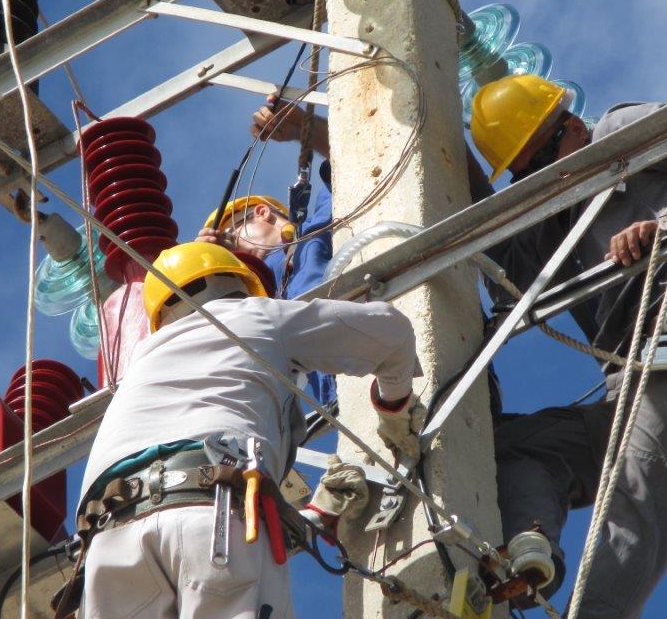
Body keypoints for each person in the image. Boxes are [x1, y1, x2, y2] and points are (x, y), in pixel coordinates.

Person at [468, 74, 667, 616]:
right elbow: (501, 258)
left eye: (546, 159)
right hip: (641, 387)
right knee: (514, 447)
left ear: (572, 127)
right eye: (526, 176)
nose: (544, 180)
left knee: (633, 509)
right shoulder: (555, 222)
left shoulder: (616, 134)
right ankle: (530, 552)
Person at [75, 242, 424, 618]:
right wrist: (394, 408)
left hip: (106, 543)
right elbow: (391, 332)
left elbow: (175, 518)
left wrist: (318, 516)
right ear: (241, 285)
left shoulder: (137, 369)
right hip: (215, 514)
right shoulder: (253, 314)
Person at [198, 94, 337, 402]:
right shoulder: (259, 297)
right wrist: (204, 268)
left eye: (232, 237)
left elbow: (353, 162)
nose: (236, 256)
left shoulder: (315, 229)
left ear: (262, 213)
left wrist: (305, 128)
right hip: (342, 397)